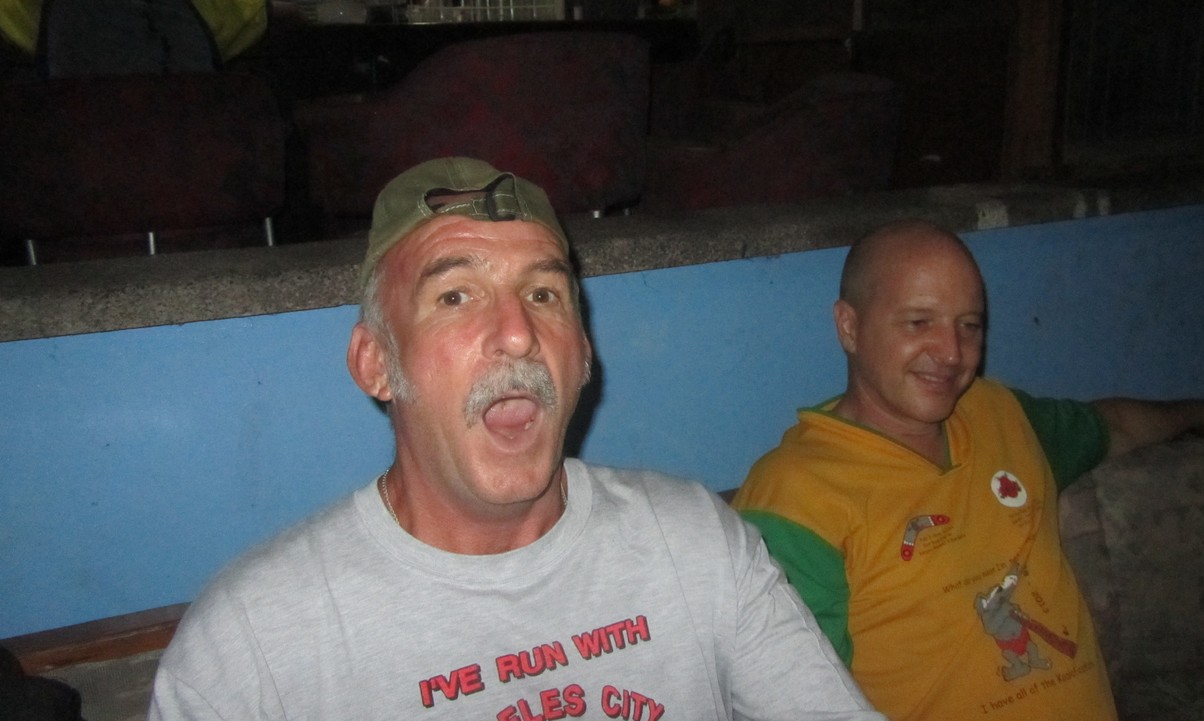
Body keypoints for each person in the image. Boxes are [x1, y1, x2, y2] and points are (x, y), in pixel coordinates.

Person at [149, 157, 887, 721]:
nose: (517, 333)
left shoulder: (694, 544)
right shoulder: (253, 646)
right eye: (455, 295)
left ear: (584, 353)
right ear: (375, 362)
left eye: (543, 293)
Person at [730, 219, 1204, 721]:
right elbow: (799, 703)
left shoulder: (998, 414)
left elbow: (1113, 427)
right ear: (850, 326)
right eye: (919, 322)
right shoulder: (794, 496)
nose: (952, 352)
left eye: (969, 325)